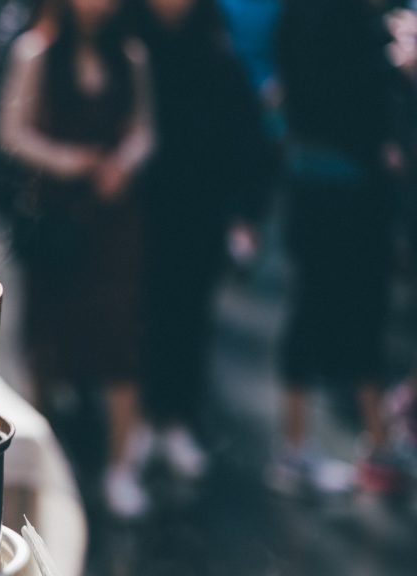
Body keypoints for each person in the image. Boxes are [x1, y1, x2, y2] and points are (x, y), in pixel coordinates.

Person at [0, 0, 155, 517]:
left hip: (113, 223)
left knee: (120, 340)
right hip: (56, 221)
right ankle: (43, 469)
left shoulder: (129, 57)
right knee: (47, 342)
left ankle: (119, 468)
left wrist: (121, 164)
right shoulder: (35, 53)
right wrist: (69, 161)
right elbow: (11, 132)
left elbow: (143, 130)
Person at [132, 0, 275, 480]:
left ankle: (177, 419)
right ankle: (139, 421)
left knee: (190, 319)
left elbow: (250, 141)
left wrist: (246, 214)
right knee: (140, 319)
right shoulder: (129, 47)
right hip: (137, 213)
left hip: (200, 214)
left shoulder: (218, 54)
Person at [273, 0, 407, 494]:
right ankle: (299, 451)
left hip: (340, 192)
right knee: (325, 313)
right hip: (335, 191)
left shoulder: (338, 17)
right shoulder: (327, 18)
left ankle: (376, 442)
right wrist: (392, 66)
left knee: (354, 314)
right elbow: (327, 98)